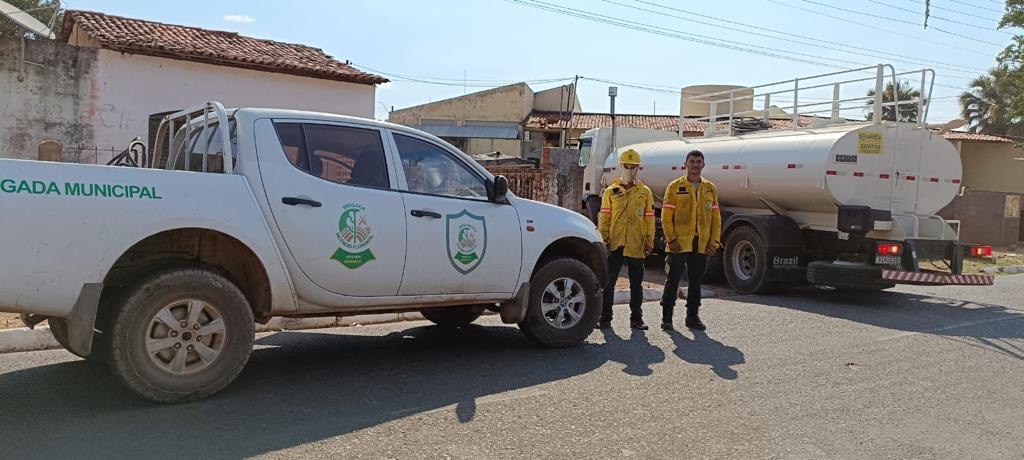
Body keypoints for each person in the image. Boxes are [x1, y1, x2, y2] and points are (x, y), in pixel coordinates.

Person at [659, 149, 722, 331]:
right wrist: (671, 239)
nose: (695, 165)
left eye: (698, 162)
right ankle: (667, 319)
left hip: (700, 243)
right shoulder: (674, 187)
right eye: (692, 161)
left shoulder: (710, 188)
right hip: (679, 242)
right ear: (685, 164)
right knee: (673, 280)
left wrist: (714, 242)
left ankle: (692, 318)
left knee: (695, 282)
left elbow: (716, 218)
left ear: (703, 165)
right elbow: (666, 216)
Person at [597, 149, 656, 330]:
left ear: (639, 168)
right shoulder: (611, 191)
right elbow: (604, 218)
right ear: (620, 167)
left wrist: (649, 241)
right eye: (626, 166)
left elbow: (649, 218)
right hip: (615, 244)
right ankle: (605, 318)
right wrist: (603, 240)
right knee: (609, 283)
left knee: (636, 284)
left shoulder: (645, 192)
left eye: (633, 166)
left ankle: (636, 319)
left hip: (636, 244)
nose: (630, 169)